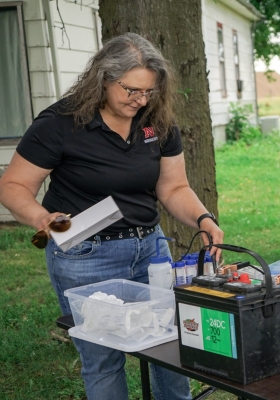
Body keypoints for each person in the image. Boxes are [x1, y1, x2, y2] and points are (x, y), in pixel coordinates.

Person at [0, 33, 224, 399]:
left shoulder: (157, 120)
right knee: (103, 359)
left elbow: (173, 188)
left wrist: (204, 219)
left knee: (171, 344)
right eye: (131, 90)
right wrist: (41, 217)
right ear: (104, 78)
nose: (140, 100)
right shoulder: (61, 122)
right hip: (86, 255)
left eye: (149, 91)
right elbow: (12, 185)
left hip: (150, 250)